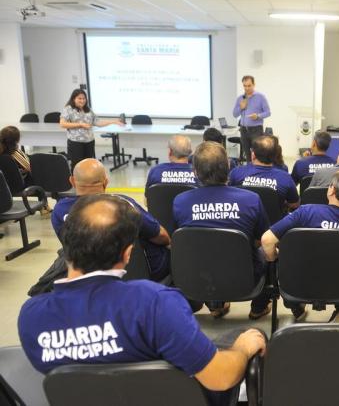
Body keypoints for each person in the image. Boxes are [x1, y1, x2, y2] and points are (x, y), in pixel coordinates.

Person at [18, 194, 266, 405]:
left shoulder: (31, 316)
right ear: (127, 254)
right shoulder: (155, 303)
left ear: (65, 243)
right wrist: (243, 349)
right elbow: (220, 378)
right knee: (245, 336)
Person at [173, 141, 272, 319]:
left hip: (199, 275)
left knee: (205, 248)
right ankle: (258, 307)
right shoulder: (251, 199)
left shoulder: (180, 202)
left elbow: (186, 241)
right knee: (268, 249)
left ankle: (215, 304)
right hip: (244, 277)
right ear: (228, 166)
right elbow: (261, 239)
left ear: (195, 171)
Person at [262, 170, 339, 323]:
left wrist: (276, 261)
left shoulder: (306, 213)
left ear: (332, 189)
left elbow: (267, 240)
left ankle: (296, 306)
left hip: (299, 283)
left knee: (288, 258)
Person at [52, 158, 171, 281]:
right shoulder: (124, 204)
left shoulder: (59, 211)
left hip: (85, 274)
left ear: (72, 181)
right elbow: (161, 236)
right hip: (135, 274)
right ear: (105, 182)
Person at [59, 89, 124, 171]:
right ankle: (76, 183)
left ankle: (87, 182)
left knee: (88, 165)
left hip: (89, 141)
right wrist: (80, 124)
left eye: (84, 98)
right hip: (75, 142)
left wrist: (114, 121)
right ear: (73, 99)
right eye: (79, 98)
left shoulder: (88, 109)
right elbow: (62, 124)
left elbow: (98, 122)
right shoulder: (68, 109)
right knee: (77, 166)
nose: (82, 100)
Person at [228, 135, 299, 211]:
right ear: (275, 155)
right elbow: (294, 204)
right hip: (275, 222)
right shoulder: (285, 178)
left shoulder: (236, 173)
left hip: (245, 221)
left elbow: (229, 197)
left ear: (253, 155)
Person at [232, 75, 271, 163]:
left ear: (254, 85)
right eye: (245, 86)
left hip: (256, 130)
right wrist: (241, 107)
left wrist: (258, 116)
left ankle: (257, 171)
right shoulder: (240, 98)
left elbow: (268, 112)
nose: (247, 88)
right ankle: (249, 170)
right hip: (243, 129)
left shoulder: (260, 97)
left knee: (257, 154)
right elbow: (234, 114)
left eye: (249, 85)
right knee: (247, 155)